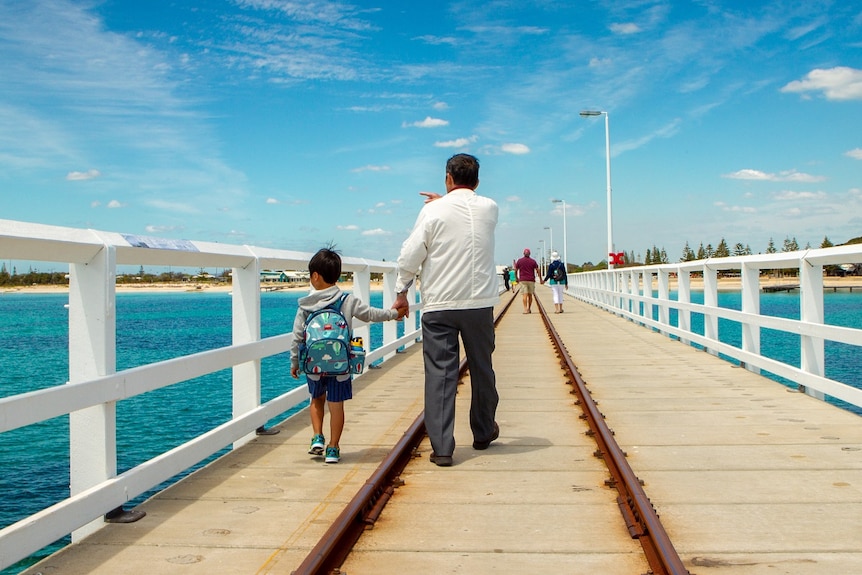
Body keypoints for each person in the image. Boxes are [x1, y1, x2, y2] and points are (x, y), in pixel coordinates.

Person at [392, 153, 500, 467]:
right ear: (477, 181)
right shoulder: (490, 208)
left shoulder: (432, 211)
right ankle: (482, 432)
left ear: (447, 178)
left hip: (439, 304)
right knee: (482, 368)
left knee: (440, 374)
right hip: (479, 304)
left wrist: (402, 291)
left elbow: (411, 252)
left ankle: (442, 448)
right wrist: (448, 201)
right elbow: (467, 214)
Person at [290, 248, 407, 464]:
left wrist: (295, 362)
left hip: (314, 365)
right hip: (341, 364)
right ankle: (333, 448)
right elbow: (371, 314)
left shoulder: (306, 306)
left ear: (315, 276)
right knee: (337, 406)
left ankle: (317, 436)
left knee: (316, 400)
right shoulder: (346, 300)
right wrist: (394, 314)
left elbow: (297, 337)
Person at [514, 248, 541, 313]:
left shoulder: (520, 261)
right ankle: (529, 308)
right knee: (530, 295)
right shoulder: (533, 261)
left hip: (523, 280)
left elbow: (515, 270)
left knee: (524, 295)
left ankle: (525, 309)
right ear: (529, 254)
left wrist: (516, 278)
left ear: (523, 254)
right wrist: (540, 279)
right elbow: (538, 270)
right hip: (531, 280)